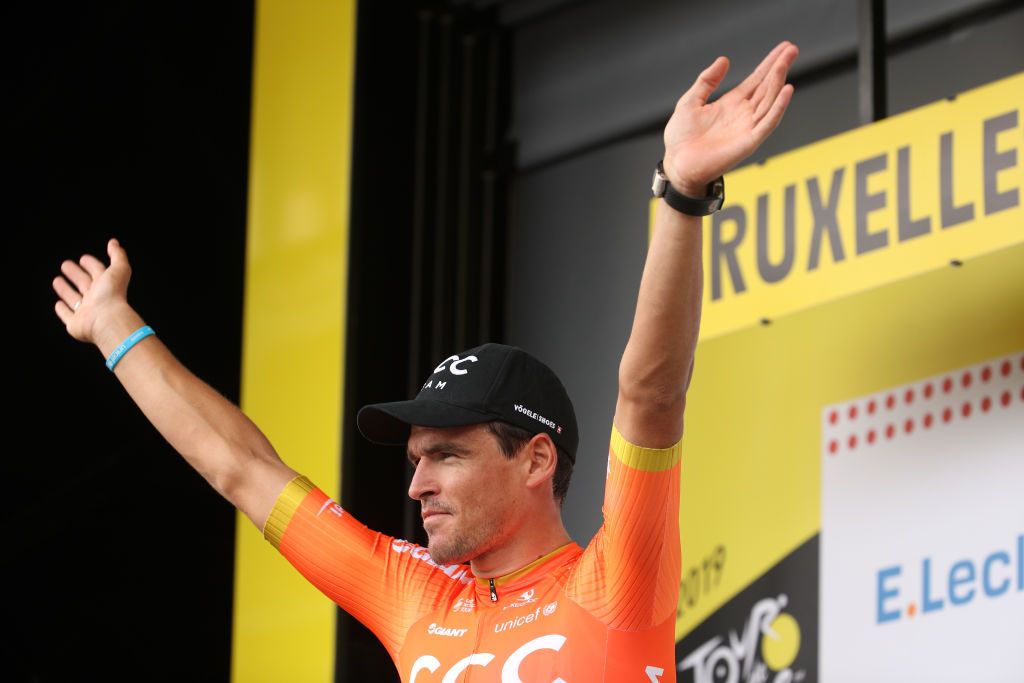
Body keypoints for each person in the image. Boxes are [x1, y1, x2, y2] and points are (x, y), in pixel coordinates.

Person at [52, 41, 798, 681]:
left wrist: (684, 193)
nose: (416, 484)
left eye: (446, 454)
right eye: (416, 457)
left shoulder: (614, 583)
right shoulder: (413, 595)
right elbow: (240, 468)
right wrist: (118, 329)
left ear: (537, 458)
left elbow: (650, 393)